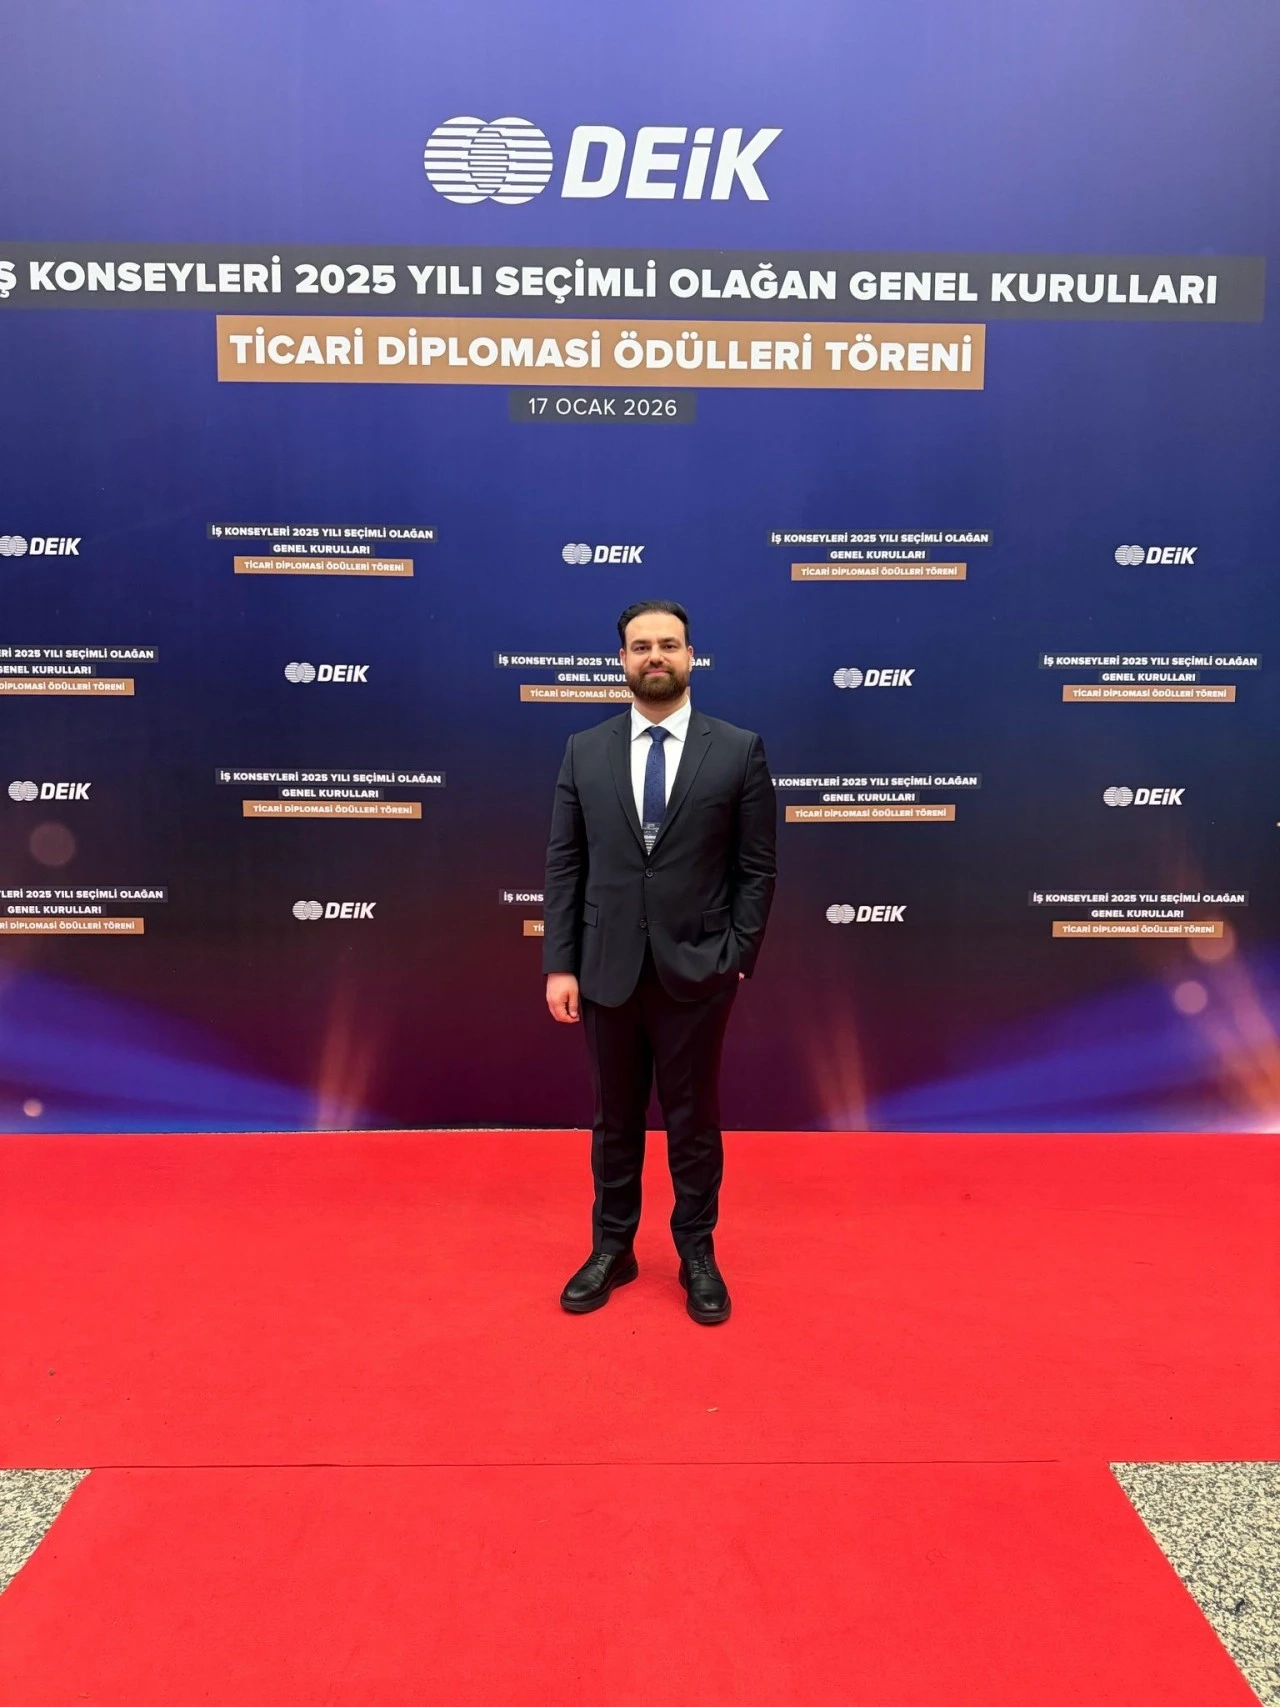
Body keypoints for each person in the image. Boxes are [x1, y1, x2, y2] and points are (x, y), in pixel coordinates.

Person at [542, 600, 776, 1324]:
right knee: (613, 1121)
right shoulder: (584, 749)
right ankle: (612, 1248)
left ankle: (696, 1252)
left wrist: (736, 954)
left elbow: (756, 868)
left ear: (690, 656)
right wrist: (560, 963)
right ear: (622, 659)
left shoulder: (737, 749)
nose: (655, 656)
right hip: (604, 969)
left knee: (693, 1123)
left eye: (668, 645)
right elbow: (565, 864)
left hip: (698, 972)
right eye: (641, 645)